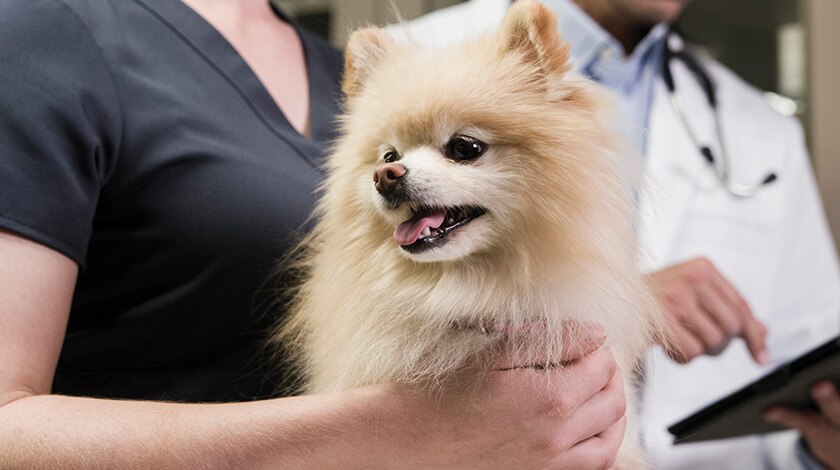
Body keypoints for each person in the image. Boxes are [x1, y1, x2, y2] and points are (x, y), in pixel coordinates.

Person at [0, 0, 631, 467]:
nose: (396, 173)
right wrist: (400, 429)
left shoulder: (344, 67)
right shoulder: (43, 31)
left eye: (463, 148)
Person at [396, 0, 840, 468]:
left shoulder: (764, 131)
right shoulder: (407, 61)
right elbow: (370, 335)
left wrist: (820, 448)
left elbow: (805, 365)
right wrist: (630, 306)